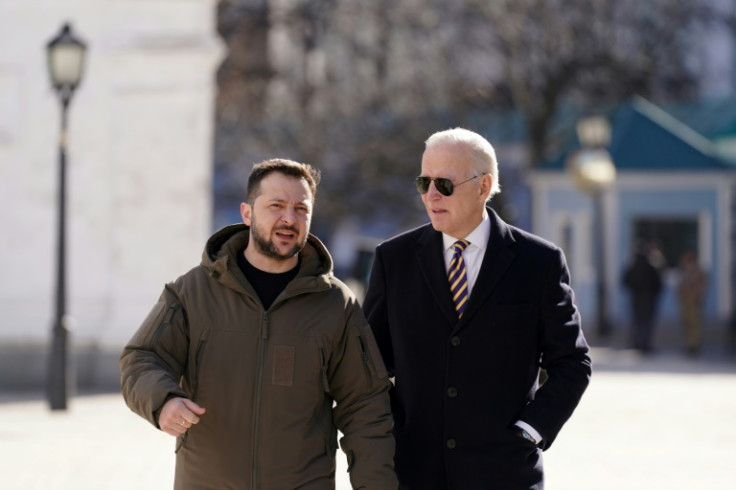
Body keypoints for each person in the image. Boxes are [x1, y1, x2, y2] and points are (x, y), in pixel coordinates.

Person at [120, 158, 397, 489]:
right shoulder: (192, 291)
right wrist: (163, 400)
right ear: (247, 213)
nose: (289, 219)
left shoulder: (336, 304)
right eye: (276, 206)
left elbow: (366, 405)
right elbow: (141, 358)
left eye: (301, 209)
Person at [362, 128, 592, 489]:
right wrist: (394, 427)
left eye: (444, 184)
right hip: (415, 473)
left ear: (484, 187)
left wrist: (532, 430)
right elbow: (368, 364)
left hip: (505, 474)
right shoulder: (394, 260)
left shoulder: (539, 262)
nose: (431, 194)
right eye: (424, 182)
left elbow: (573, 362)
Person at [622, 240, 663, 354]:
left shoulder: (633, 267)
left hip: (636, 300)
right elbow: (658, 284)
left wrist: (635, 290)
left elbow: (625, 281)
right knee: (646, 324)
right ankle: (645, 345)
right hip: (649, 300)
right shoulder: (651, 267)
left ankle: (637, 343)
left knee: (637, 322)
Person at [678, 250, 707, 356]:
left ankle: (694, 346)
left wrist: (697, 297)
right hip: (686, 301)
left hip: (693, 302)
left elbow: (701, 286)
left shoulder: (697, 271)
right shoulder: (685, 271)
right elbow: (681, 287)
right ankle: (689, 344)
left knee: (694, 324)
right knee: (687, 323)